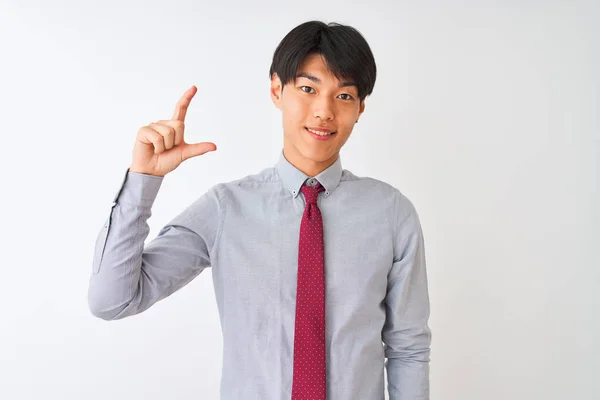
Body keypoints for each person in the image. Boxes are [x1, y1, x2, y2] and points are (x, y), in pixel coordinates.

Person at [88, 20, 431, 400]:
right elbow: (112, 301)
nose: (324, 111)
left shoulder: (391, 213)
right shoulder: (225, 210)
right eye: (308, 88)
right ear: (276, 90)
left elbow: (408, 348)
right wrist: (142, 181)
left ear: (360, 108)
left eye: (344, 96)